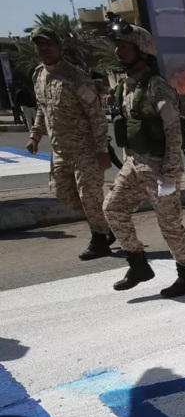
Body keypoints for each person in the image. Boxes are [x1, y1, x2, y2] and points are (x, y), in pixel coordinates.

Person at [103, 15, 185, 297]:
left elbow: (173, 132)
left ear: (142, 51)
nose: (117, 51)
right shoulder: (125, 86)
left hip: (160, 168)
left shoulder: (156, 86)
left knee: (169, 224)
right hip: (135, 164)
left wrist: (169, 175)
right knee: (112, 208)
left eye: (124, 46)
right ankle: (138, 264)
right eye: (117, 46)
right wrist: (127, 158)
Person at [26, 26, 115, 260]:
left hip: (85, 149)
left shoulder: (75, 76)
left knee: (89, 196)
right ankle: (108, 226)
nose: (44, 48)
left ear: (59, 46)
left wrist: (101, 150)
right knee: (61, 192)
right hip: (60, 151)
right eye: (39, 44)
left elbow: (96, 114)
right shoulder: (39, 75)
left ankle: (100, 239)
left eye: (48, 43)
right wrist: (35, 135)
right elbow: (42, 108)